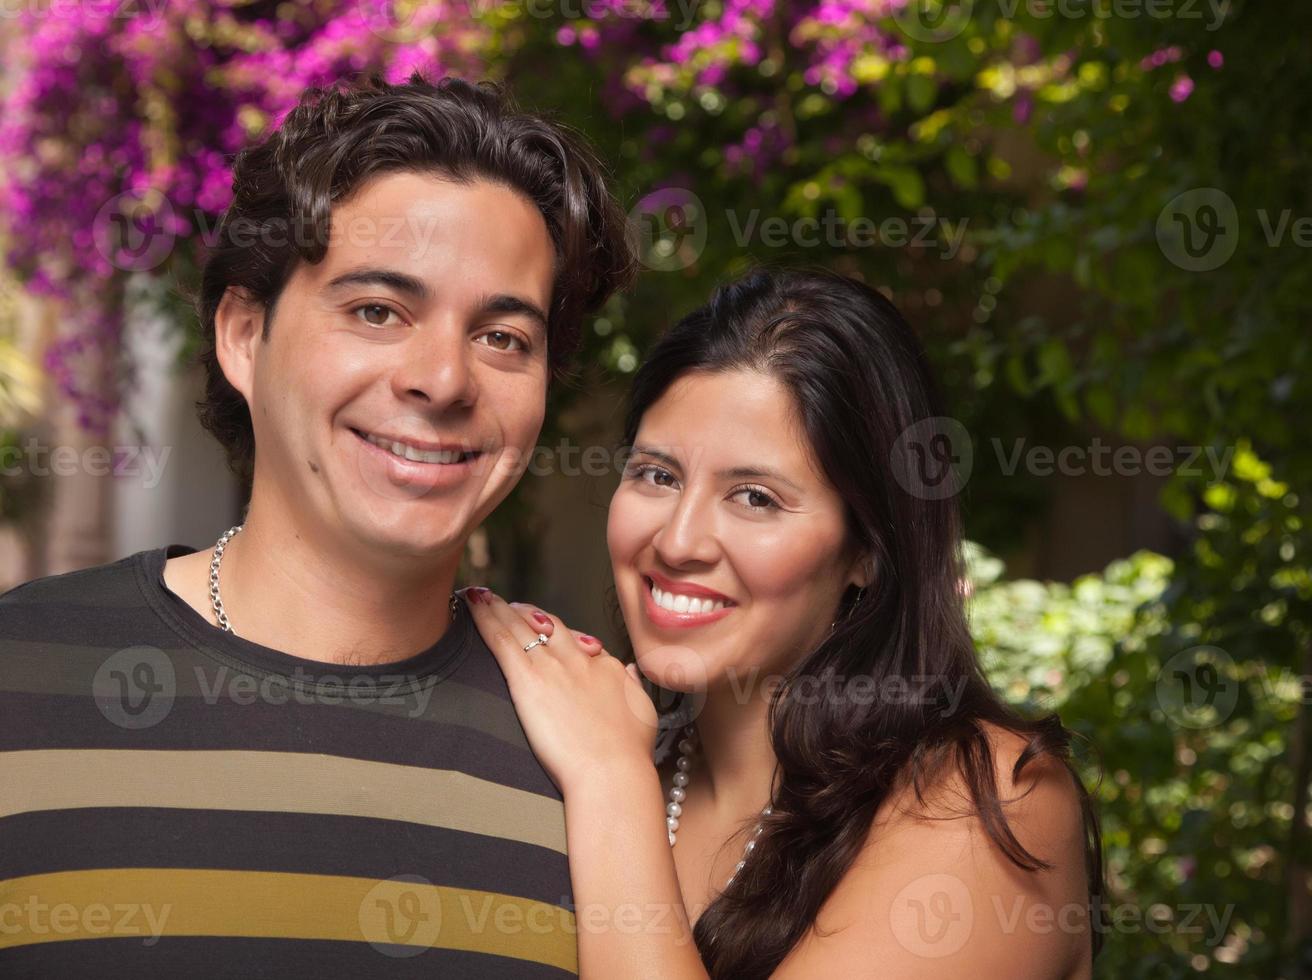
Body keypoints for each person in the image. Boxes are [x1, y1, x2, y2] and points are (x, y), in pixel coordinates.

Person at [0, 72, 632, 976]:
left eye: (503, 338)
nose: (443, 379)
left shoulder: (592, 752)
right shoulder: (19, 669)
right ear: (244, 337)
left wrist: (615, 782)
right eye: (378, 310)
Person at [466, 266, 1105, 979]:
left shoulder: (993, 796)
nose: (678, 542)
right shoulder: (617, 760)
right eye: (657, 475)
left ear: (867, 548)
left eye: (755, 497)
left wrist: (609, 781)